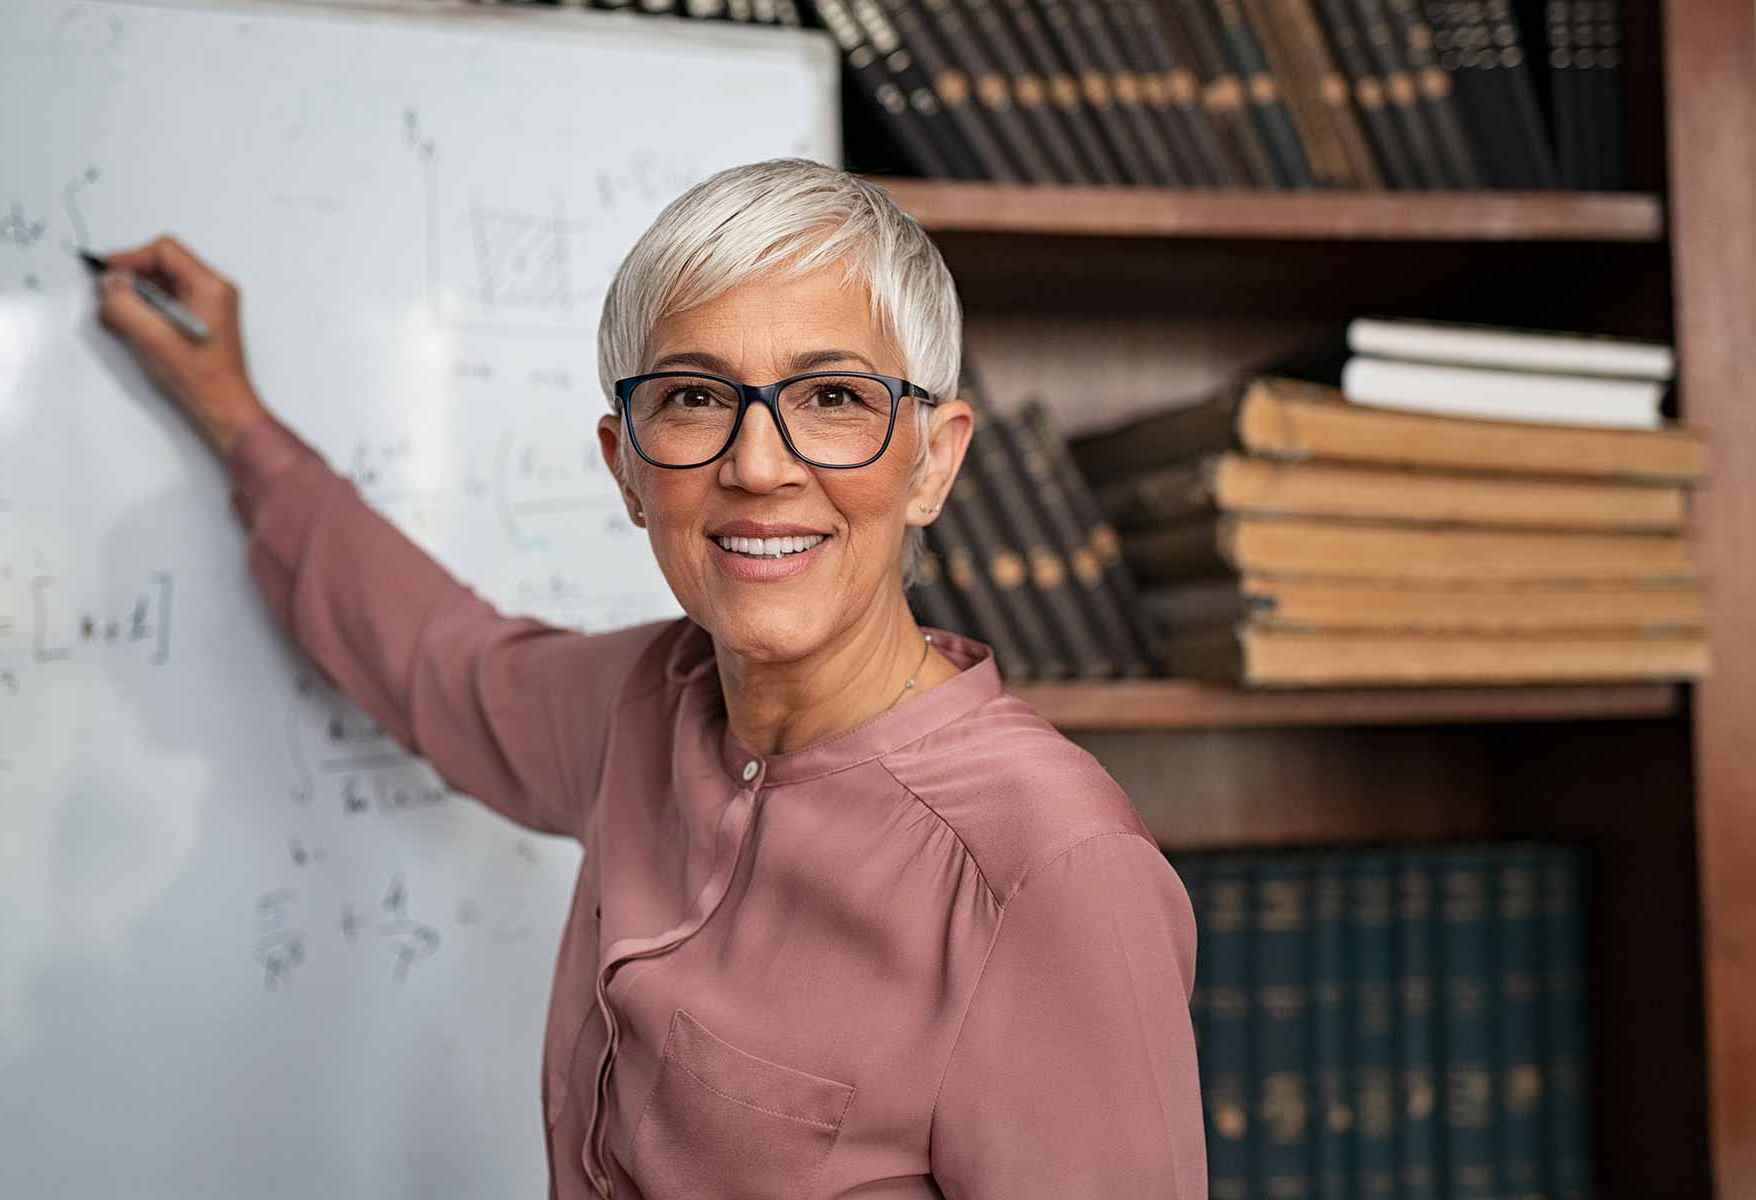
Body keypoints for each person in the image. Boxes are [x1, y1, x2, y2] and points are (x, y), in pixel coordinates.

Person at [94, 157, 1205, 1199]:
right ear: (625, 467)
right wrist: (233, 415)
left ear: (933, 460)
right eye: (692, 398)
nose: (757, 465)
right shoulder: (639, 706)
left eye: (831, 398)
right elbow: (435, 656)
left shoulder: (1050, 871)